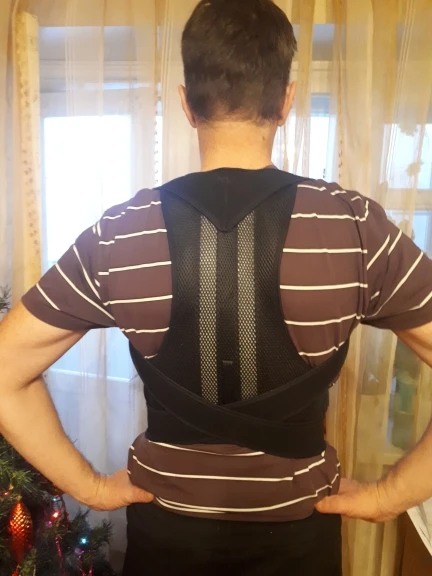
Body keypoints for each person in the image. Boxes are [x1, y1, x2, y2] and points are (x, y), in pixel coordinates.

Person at [1, 0, 432, 574]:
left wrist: (92, 488)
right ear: (286, 101)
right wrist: (388, 497)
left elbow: (5, 373)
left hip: (165, 543)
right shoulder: (354, 229)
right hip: (300, 544)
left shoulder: (119, 234)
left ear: (186, 104)